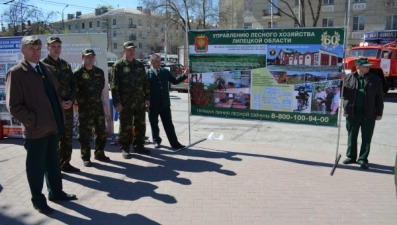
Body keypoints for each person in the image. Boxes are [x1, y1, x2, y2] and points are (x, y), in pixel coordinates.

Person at [6, 36, 76, 215]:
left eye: (38, 49)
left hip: (53, 126)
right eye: (32, 49)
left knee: (53, 162)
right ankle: (38, 200)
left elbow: (51, 94)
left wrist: (61, 105)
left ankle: (56, 193)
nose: (36, 53)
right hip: (35, 130)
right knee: (36, 167)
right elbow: (14, 106)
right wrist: (34, 121)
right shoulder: (16, 73)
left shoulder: (47, 69)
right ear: (23, 51)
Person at [41, 36, 79, 173]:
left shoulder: (65, 65)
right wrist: (59, 102)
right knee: (54, 139)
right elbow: (42, 90)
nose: (56, 49)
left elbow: (73, 85)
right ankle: (54, 167)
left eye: (58, 46)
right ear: (47, 48)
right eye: (53, 46)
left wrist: (71, 99)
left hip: (67, 107)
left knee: (67, 137)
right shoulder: (42, 66)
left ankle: (65, 163)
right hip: (53, 109)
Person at [110, 41, 150, 159]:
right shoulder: (118, 66)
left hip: (139, 101)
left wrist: (147, 99)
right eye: (129, 49)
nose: (131, 51)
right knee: (125, 126)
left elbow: (145, 84)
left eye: (133, 49)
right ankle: (125, 148)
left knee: (140, 125)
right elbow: (114, 86)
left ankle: (139, 146)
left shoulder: (139, 65)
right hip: (125, 102)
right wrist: (117, 103)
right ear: (124, 51)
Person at [342, 57, 384, 169]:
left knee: (366, 137)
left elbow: (379, 97)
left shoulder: (375, 79)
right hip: (352, 112)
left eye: (368, 66)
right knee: (352, 135)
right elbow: (341, 93)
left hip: (369, 113)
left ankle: (363, 159)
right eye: (366, 66)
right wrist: (340, 81)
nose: (368, 67)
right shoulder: (348, 78)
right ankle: (351, 156)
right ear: (358, 67)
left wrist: (379, 112)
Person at [74, 48, 110, 167]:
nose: (90, 59)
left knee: (101, 132)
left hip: (98, 107)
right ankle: (86, 157)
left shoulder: (99, 72)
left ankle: (99, 153)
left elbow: (101, 88)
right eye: (87, 57)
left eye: (92, 57)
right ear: (82, 58)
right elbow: (74, 91)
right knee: (84, 134)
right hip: (85, 109)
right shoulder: (77, 73)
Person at [147, 53, 188, 149]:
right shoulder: (147, 74)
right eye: (156, 62)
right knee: (154, 123)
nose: (159, 63)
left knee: (169, 124)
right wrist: (146, 102)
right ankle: (156, 140)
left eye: (159, 61)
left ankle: (174, 143)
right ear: (152, 62)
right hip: (153, 104)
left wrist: (185, 75)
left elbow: (174, 81)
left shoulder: (164, 72)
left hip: (165, 104)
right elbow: (144, 89)